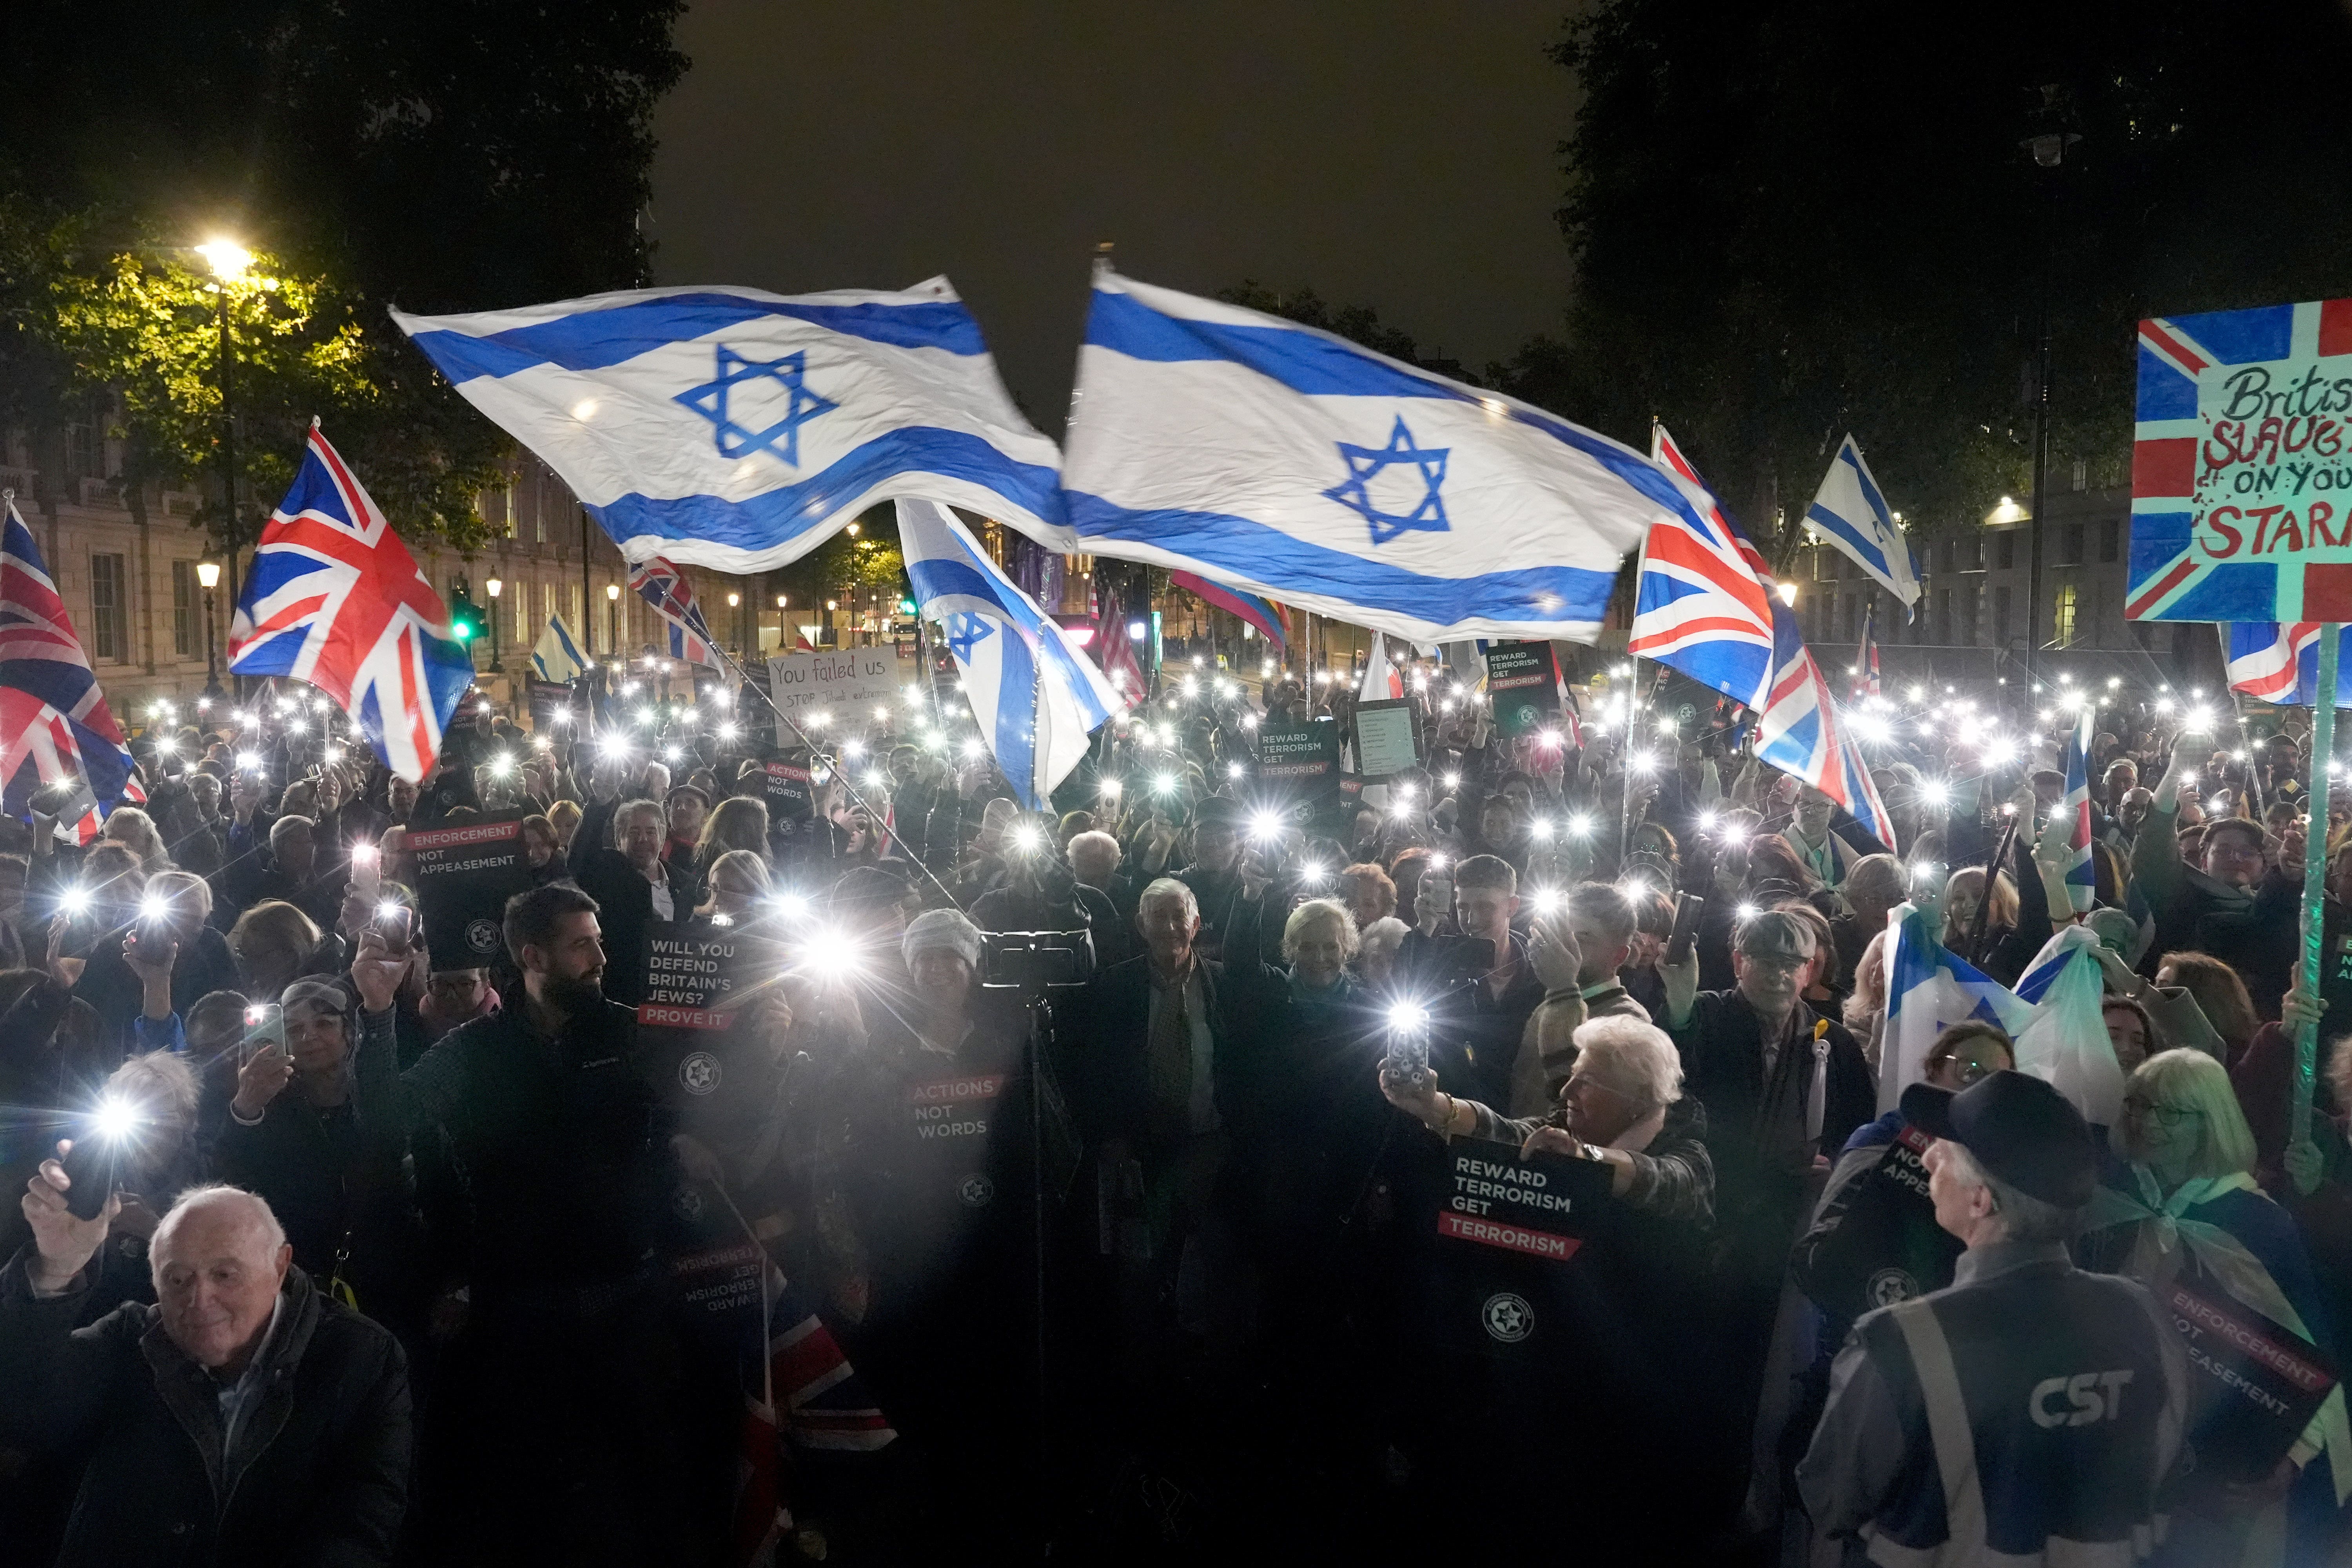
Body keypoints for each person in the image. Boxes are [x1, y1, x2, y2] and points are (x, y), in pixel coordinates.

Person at [387, 882, 688, 1565]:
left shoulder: (630, 1031)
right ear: (533, 955)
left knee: (640, 1469)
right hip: (521, 1305)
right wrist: (378, 1015)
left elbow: (701, 1097)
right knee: (532, 1484)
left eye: (600, 941)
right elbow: (393, 1120)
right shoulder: (473, 1053)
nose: (600, 957)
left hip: (628, 1292)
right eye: (582, 944)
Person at [1799, 1070, 2189, 1563]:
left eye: (1948, 1149)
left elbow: (1830, 1500)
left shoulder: (1901, 1340)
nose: (1928, 1155)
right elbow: (2169, 1474)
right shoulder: (2147, 1317)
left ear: (1981, 1200)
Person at [0, 1181, 411, 1564]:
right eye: (177, 1279)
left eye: (225, 1274)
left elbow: (360, 1523)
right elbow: (24, 1412)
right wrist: (56, 1269)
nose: (199, 1300)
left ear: (280, 1265)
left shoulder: (361, 1359)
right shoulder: (134, 1339)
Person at [2076, 1049, 2347, 1561]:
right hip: (2108, 1446)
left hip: (2209, 1467)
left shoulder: (2259, 1224)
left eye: (2170, 1112)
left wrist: (2287, 1460)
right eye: (2137, 1105)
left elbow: (2305, 1356)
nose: (2146, 1122)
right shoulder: (2109, 1200)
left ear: (2212, 1121)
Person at [568, 795, 699, 1006]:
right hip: (619, 998)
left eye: (651, 832)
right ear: (619, 839)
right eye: (634, 832)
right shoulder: (603, 873)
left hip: (671, 1000)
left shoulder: (687, 885)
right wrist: (600, 802)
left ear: (663, 837)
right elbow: (580, 859)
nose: (643, 839)